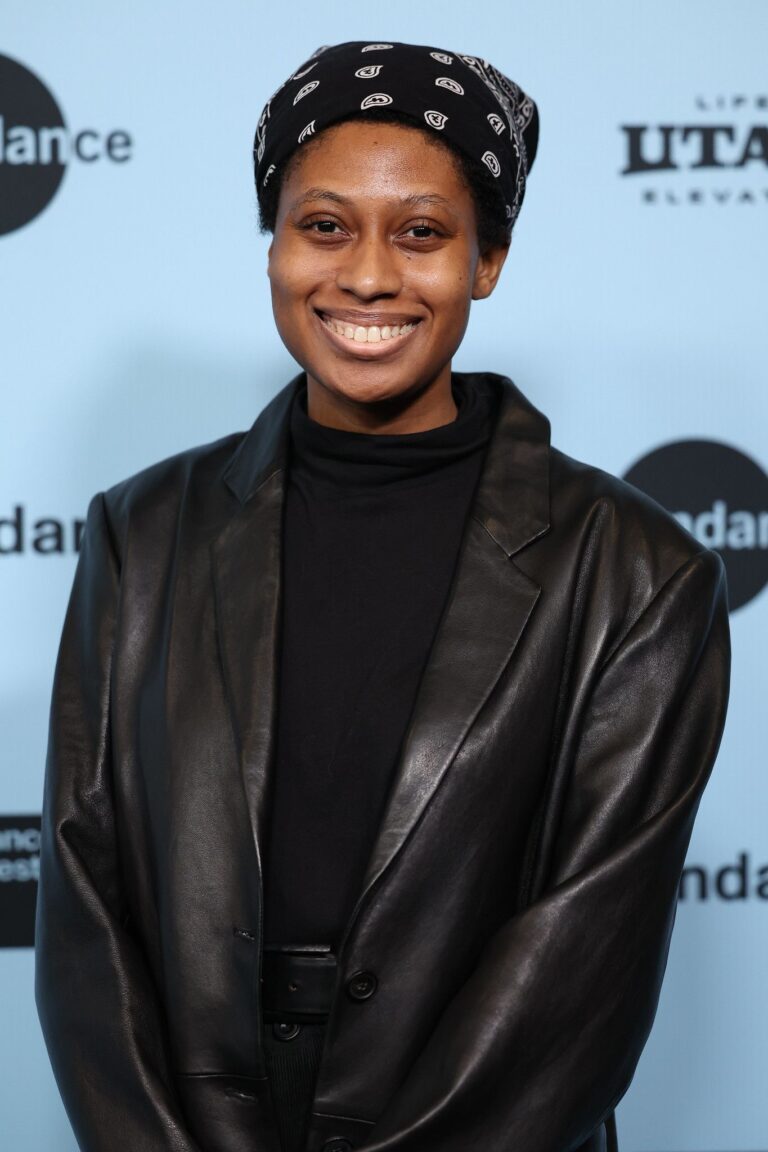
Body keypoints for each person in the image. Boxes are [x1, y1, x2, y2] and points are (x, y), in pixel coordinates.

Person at [35, 39, 730, 1152]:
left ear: (487, 260)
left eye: (421, 232)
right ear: (273, 244)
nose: (366, 276)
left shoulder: (640, 571)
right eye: (323, 226)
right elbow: (83, 909)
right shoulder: (143, 533)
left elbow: (580, 976)